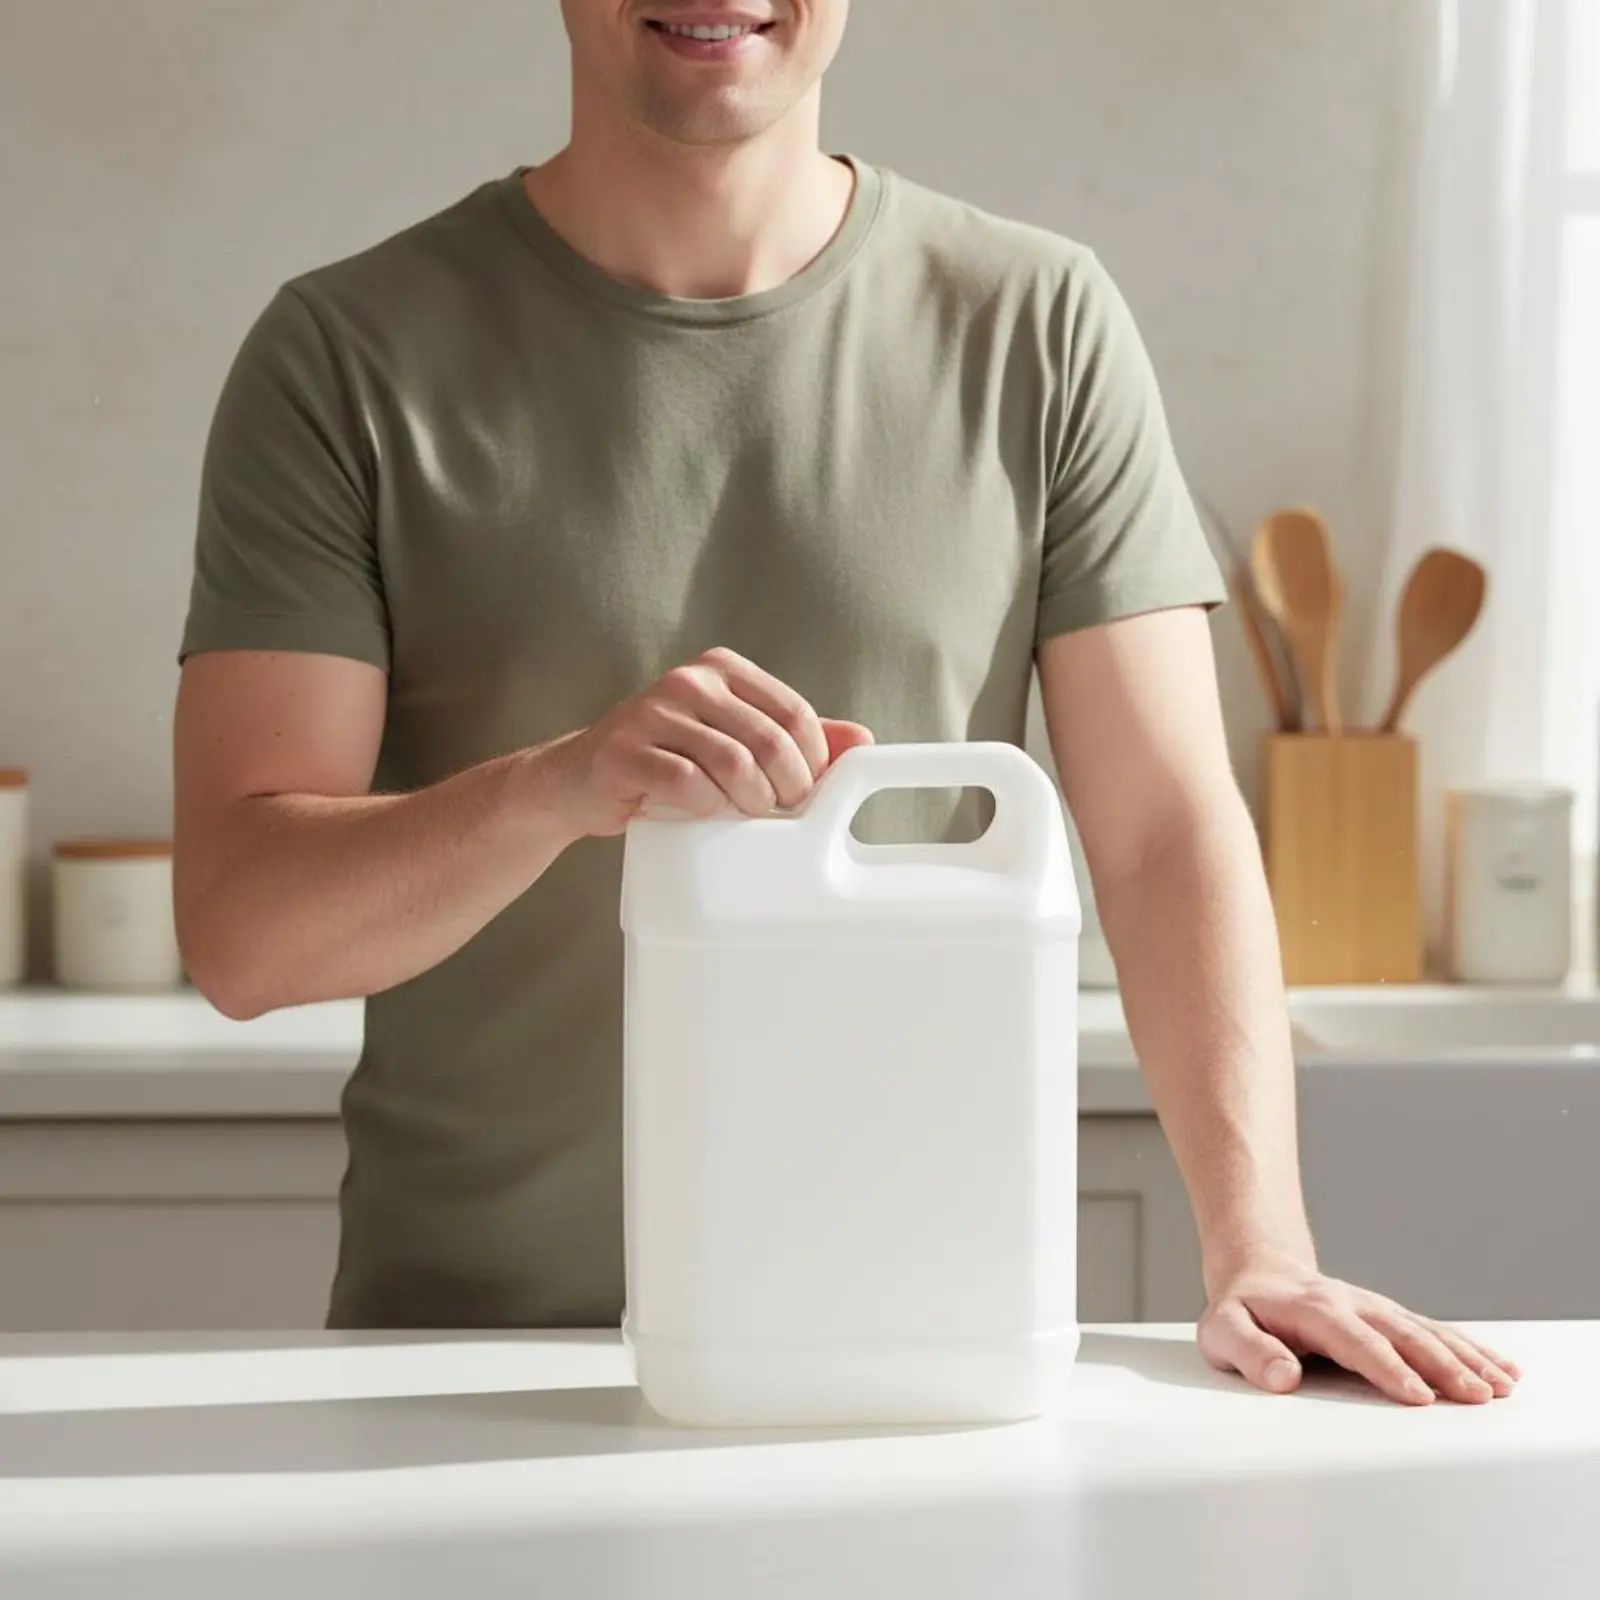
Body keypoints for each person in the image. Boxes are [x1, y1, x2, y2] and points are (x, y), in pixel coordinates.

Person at [174, 0, 1518, 1406]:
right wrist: (554, 787)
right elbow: (244, 937)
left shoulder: (1039, 327)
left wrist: (1262, 1246)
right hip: (467, 1368)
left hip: (925, 1349)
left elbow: (1163, 835)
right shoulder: (342, 357)